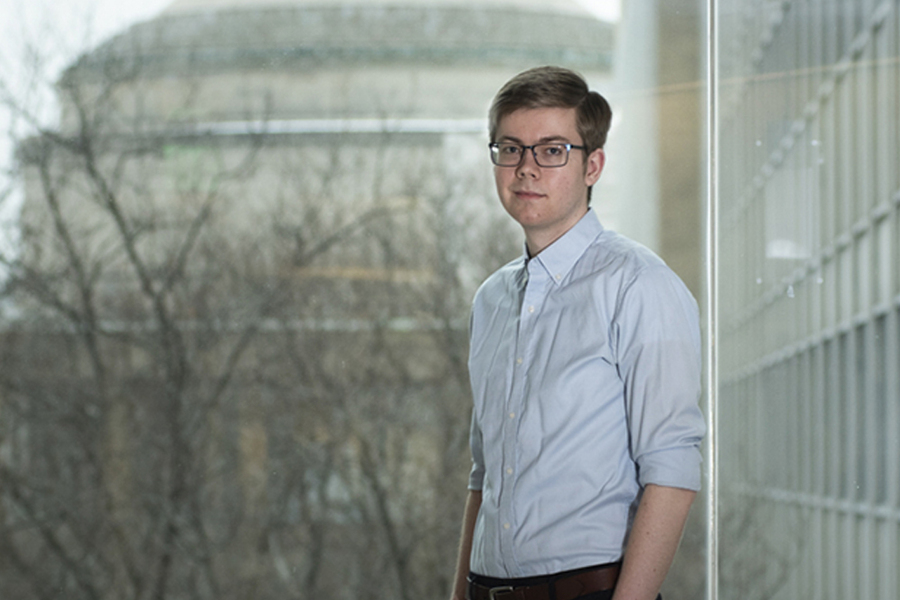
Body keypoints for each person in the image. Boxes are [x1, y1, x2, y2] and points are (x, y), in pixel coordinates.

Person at [450, 66, 706, 600]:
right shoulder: (491, 302)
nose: (526, 169)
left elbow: (673, 468)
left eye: (551, 150)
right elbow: (483, 476)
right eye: (510, 148)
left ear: (593, 165)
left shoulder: (639, 286)